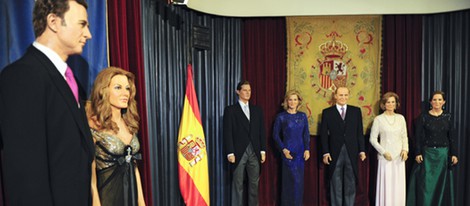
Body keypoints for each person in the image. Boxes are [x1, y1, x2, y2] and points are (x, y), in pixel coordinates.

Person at [0, 0, 94, 205]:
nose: (88, 34)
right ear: (53, 21)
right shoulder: (22, 76)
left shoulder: (70, 80)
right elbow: (25, 176)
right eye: (82, 24)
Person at [86, 67, 146, 206]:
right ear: (104, 90)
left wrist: (141, 202)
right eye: (118, 87)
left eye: (127, 88)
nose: (125, 93)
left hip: (131, 198)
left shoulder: (130, 123)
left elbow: (133, 166)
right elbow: (90, 175)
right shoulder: (93, 125)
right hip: (107, 197)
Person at [407, 91, 458, 206]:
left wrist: (454, 154)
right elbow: (418, 137)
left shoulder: (448, 116)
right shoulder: (423, 117)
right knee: (426, 185)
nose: (437, 102)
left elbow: (452, 137)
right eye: (434, 100)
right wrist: (418, 153)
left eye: (440, 100)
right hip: (427, 155)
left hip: (442, 155)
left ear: (444, 102)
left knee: (441, 185)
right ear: (430, 102)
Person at [320, 86, 366, 206]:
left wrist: (362, 150)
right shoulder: (327, 112)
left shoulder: (356, 111)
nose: (343, 97)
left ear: (349, 95)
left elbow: (359, 133)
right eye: (340, 95)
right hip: (335, 152)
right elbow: (323, 135)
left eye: (345, 95)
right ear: (335, 96)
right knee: (335, 183)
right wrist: (325, 152)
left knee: (350, 182)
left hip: (352, 151)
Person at [223, 80, 266, 206]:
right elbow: (227, 133)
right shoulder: (230, 110)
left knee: (254, 185)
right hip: (238, 152)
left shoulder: (257, 110)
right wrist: (230, 152)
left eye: (250, 90)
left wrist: (263, 150)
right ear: (238, 92)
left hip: (255, 151)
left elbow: (261, 131)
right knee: (238, 185)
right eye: (245, 90)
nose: (248, 93)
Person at [369, 92, 409, 206]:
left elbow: (404, 136)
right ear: (383, 104)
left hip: (399, 158)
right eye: (388, 102)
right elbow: (373, 139)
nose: (391, 104)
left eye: (393, 102)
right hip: (385, 158)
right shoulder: (378, 119)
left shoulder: (401, 118)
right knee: (386, 186)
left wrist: (405, 150)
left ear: (396, 104)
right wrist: (383, 152)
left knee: (398, 186)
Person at [273, 90, 310, 206]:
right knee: (288, 184)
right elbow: (275, 135)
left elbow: (306, 134)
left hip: (300, 154)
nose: (292, 102)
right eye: (290, 99)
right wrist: (283, 149)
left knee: (298, 185)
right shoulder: (281, 117)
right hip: (288, 153)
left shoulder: (302, 116)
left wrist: (307, 149)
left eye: (295, 99)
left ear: (298, 101)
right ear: (286, 101)